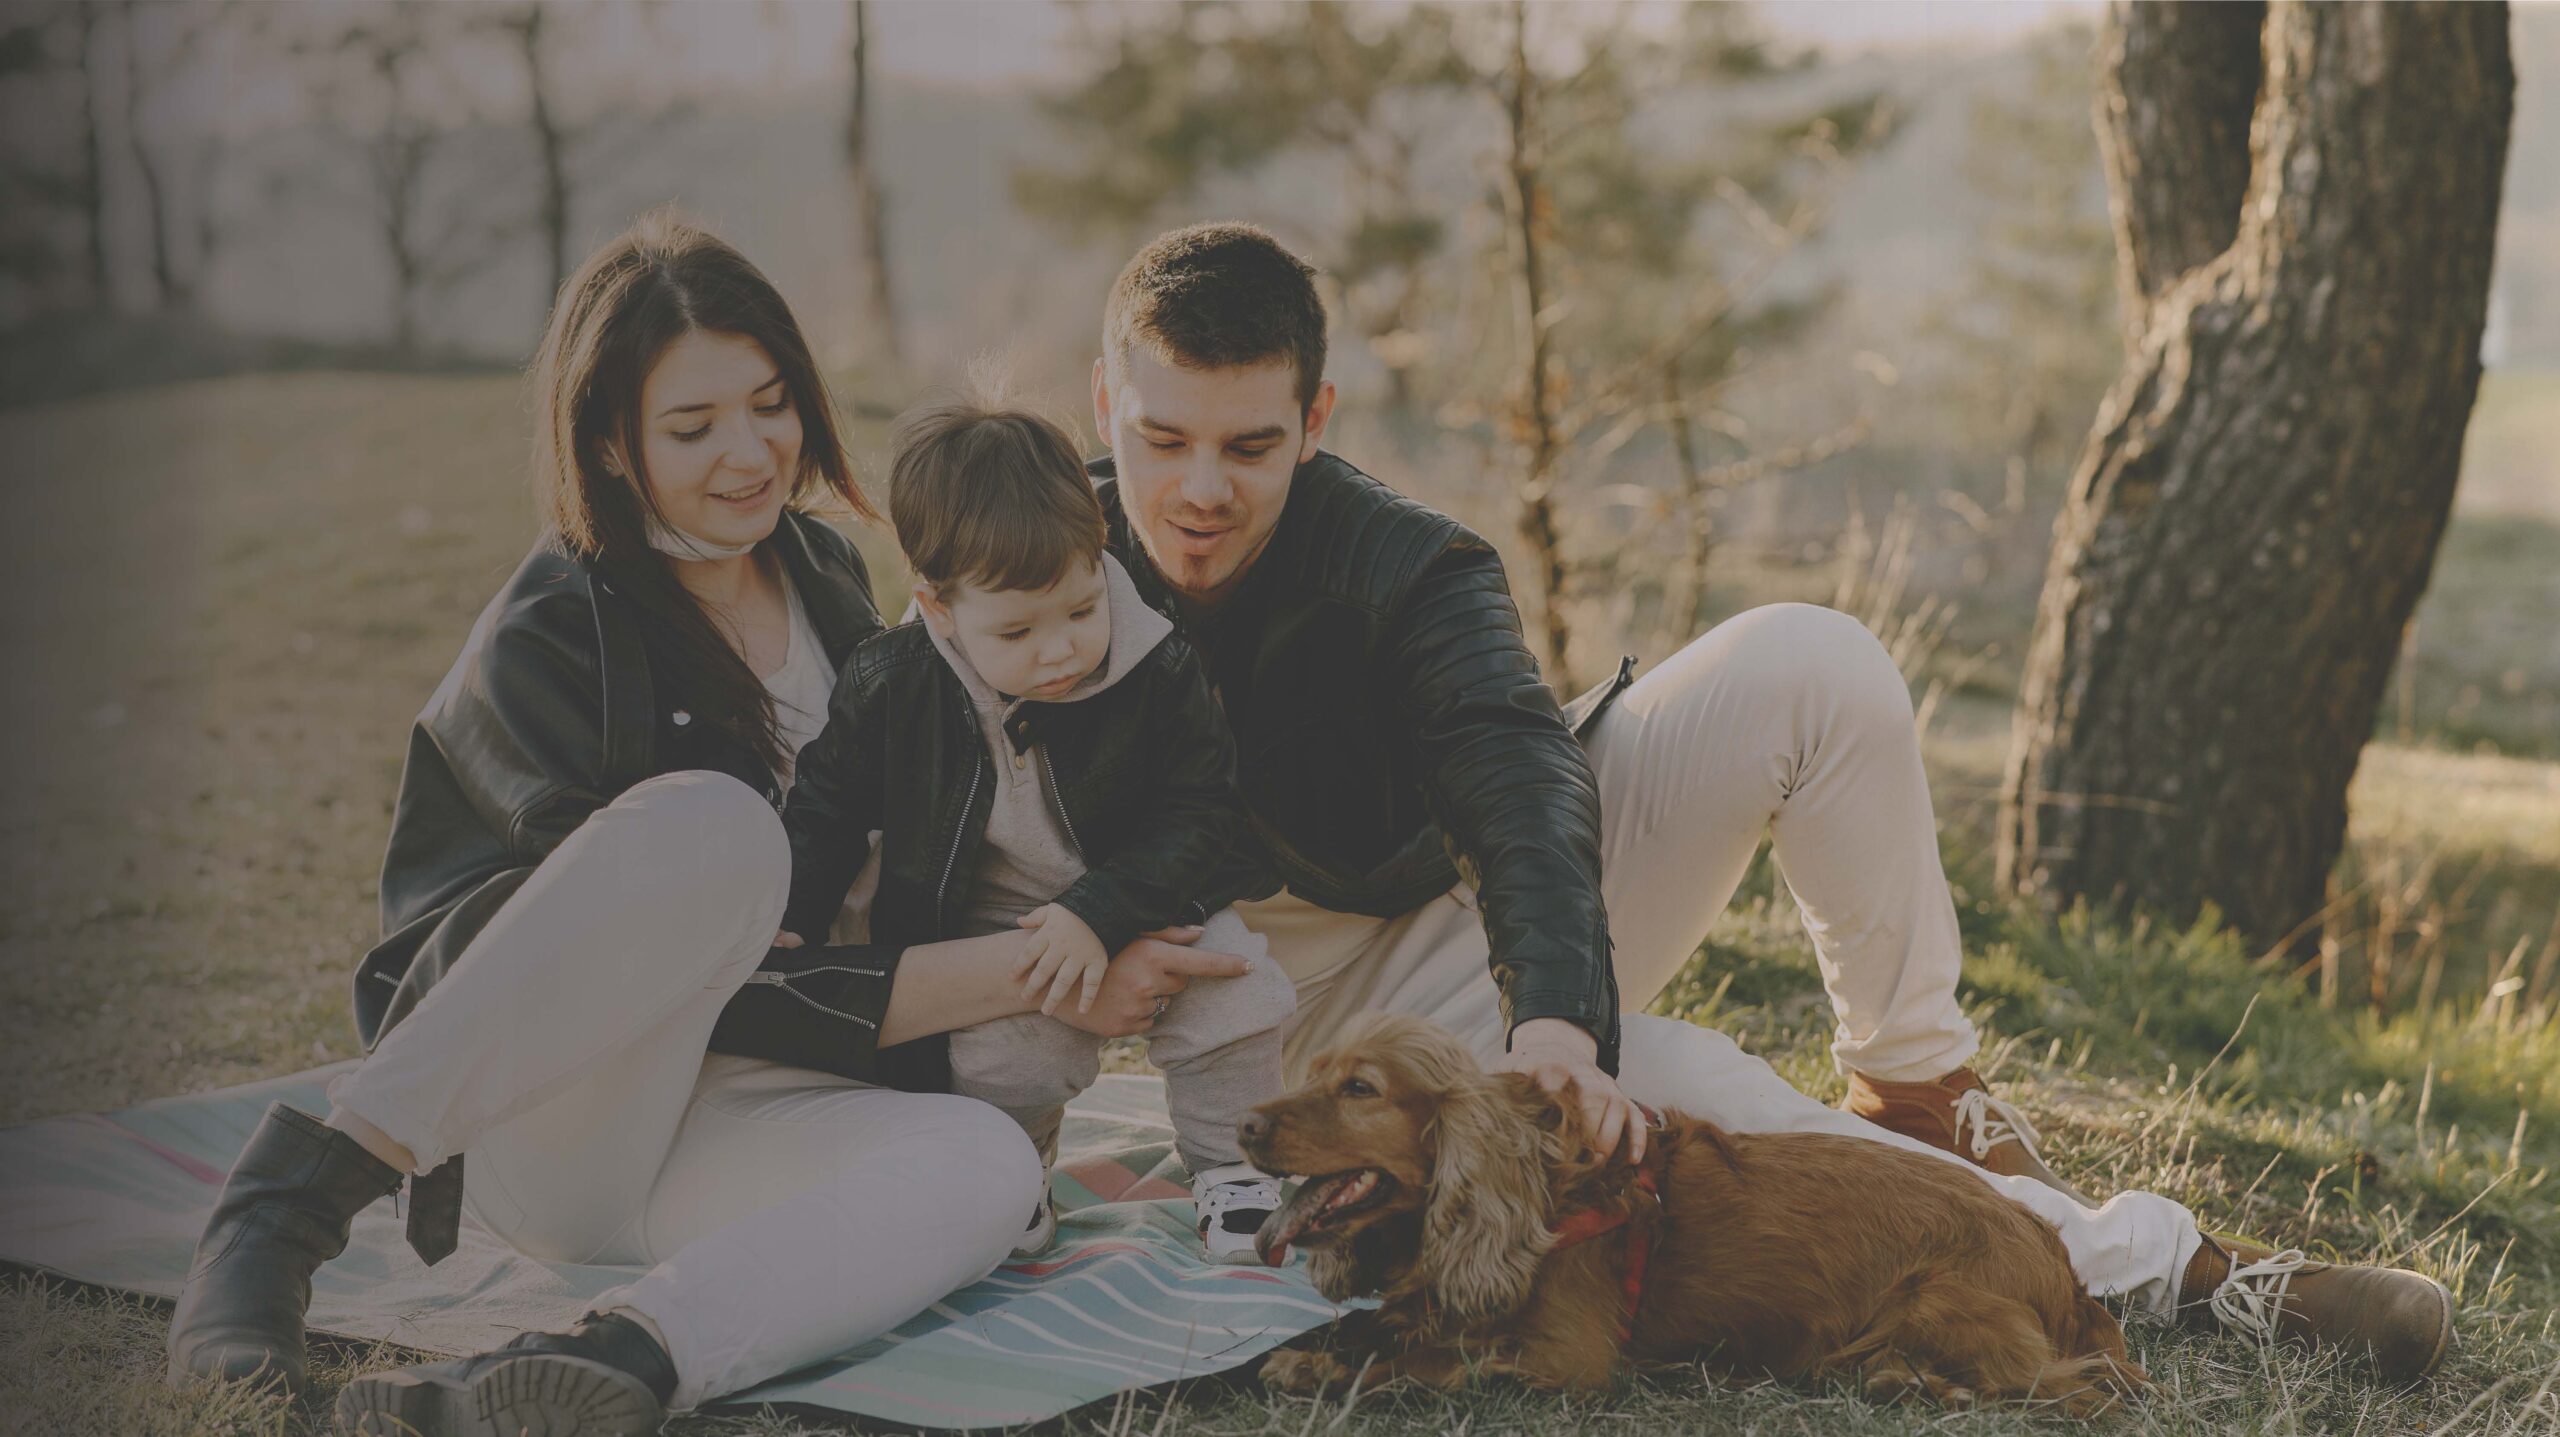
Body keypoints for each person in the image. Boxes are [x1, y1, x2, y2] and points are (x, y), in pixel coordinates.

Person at [1077, 221, 2458, 1383]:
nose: (1200, 491)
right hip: (1278, 1033)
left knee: (1812, 660)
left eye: (1249, 447)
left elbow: (1519, 779)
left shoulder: (1408, 563)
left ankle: (1921, 1087)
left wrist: (1557, 1021)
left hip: (1480, 932)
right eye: (1162, 440)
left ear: (1314, 422)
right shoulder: (1034, 563)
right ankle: (2184, 1269)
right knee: (1695, 1096)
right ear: (1103, 410)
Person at [163, 212, 1247, 1437]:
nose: (750, 454)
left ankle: (616, 1361)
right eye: (692, 428)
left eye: (771, 404)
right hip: (556, 1117)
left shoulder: (828, 581)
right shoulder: (554, 634)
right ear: (610, 445)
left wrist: (1090, 917)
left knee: (984, 1168)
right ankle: (283, 1209)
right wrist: (1046, 972)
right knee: (722, 831)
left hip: (739, 1114)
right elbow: (665, 979)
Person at [776, 397, 1294, 1262]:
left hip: (1151, 893)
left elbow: (1201, 808)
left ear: (1098, 555)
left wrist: (1102, 910)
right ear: (939, 606)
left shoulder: (1156, 663)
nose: (1060, 650)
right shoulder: (893, 683)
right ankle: (1010, 1169)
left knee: (1236, 996)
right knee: (999, 1055)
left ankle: (1235, 1169)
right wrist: (793, 908)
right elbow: (827, 805)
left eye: (1081, 610)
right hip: (994, 926)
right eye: (1017, 629)